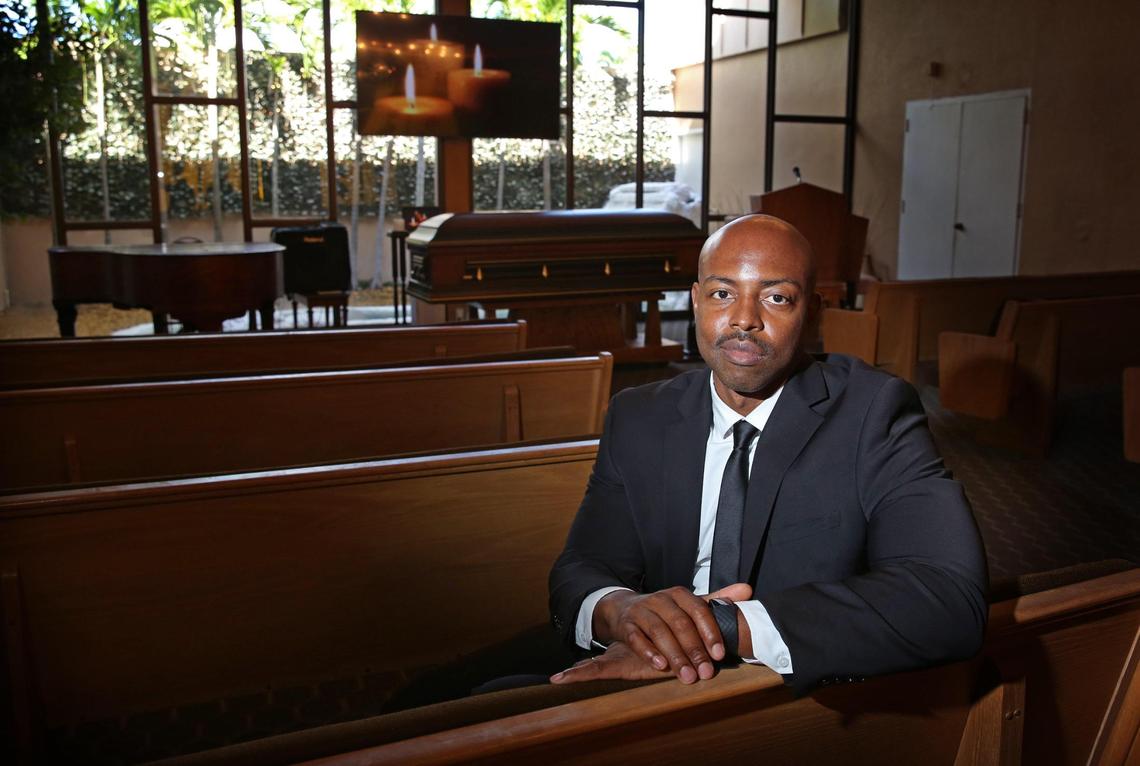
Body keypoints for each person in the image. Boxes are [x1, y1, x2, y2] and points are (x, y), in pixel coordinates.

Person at [547, 214, 988, 695]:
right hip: (643, 672)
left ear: (813, 313)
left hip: (790, 697)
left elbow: (948, 597)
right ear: (695, 301)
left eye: (776, 298)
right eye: (722, 294)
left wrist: (718, 628)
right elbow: (582, 566)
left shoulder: (874, 412)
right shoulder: (638, 415)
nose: (743, 319)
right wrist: (621, 611)